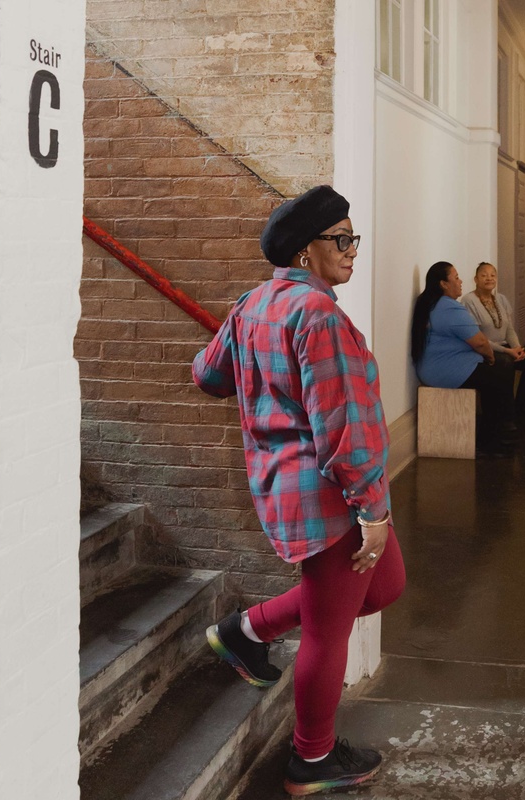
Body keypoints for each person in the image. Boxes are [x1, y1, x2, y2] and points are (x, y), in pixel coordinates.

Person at [192, 185, 405, 796]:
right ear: (305, 253)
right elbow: (346, 426)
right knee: (327, 631)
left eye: (351, 237)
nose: (352, 249)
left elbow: (208, 375)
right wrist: (372, 509)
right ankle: (311, 760)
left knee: (385, 584)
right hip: (327, 494)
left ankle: (245, 631)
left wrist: (262, 377)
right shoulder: (318, 315)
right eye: (340, 239)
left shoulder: (254, 303)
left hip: (285, 484)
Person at [411, 261, 517, 457]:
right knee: (501, 371)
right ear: (444, 283)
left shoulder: (432, 303)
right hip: (445, 370)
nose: (460, 282)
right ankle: (499, 437)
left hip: (436, 367)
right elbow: (480, 343)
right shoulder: (449, 308)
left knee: (496, 372)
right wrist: (491, 357)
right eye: (456, 277)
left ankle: (496, 430)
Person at [461, 261, 525, 429]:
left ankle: (522, 414)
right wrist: (508, 351)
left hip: (506, 347)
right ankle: (505, 418)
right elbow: (478, 338)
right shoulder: (469, 301)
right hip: (484, 350)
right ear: (476, 279)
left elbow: (509, 329)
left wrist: (517, 349)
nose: (488, 278)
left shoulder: (501, 299)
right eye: (484, 275)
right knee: (505, 364)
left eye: (492, 275)